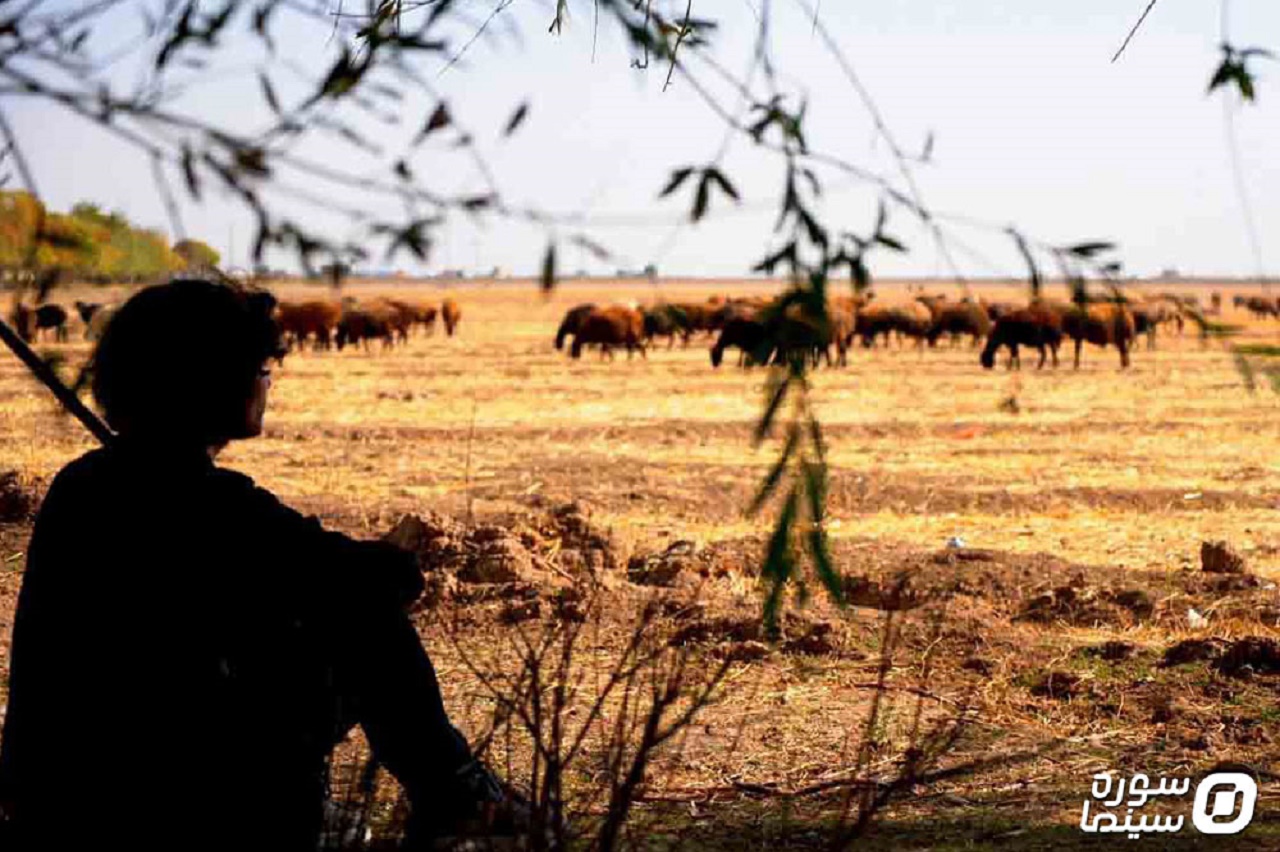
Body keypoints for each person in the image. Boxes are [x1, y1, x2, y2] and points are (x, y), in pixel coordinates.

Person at [0, 279, 522, 850]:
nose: (268, 380)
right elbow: (371, 580)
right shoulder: (209, 502)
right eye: (261, 367)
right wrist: (386, 561)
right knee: (366, 619)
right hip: (150, 806)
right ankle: (455, 795)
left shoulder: (84, 484)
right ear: (215, 379)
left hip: (53, 797)